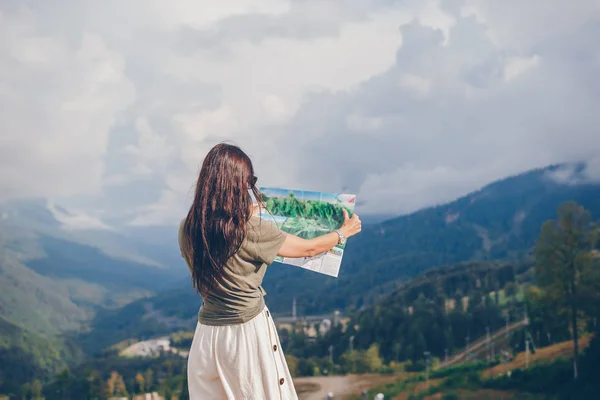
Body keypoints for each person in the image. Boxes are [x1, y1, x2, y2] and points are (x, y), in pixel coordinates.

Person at [178, 143, 362, 399]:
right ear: (237, 184)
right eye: (249, 181)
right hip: (245, 333)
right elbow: (309, 249)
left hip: (206, 335)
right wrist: (343, 232)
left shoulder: (188, 228)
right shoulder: (251, 229)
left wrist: (249, 215)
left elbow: (222, 236)